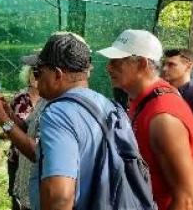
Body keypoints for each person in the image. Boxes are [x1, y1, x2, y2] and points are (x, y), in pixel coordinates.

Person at [98, 29, 193, 210]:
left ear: (142, 63)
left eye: (117, 61)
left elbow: (187, 200)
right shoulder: (141, 100)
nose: (109, 67)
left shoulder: (163, 117)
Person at [23, 32, 120, 210]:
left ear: (57, 75)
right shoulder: (107, 106)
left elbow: (59, 198)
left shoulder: (58, 113)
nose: (36, 79)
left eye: (38, 72)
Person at [0, 54, 46, 210]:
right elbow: (27, 127)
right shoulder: (23, 98)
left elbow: (36, 151)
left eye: (40, 71)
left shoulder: (54, 102)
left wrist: (4, 121)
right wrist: (7, 112)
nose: (36, 75)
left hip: (39, 171)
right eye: (34, 71)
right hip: (19, 161)